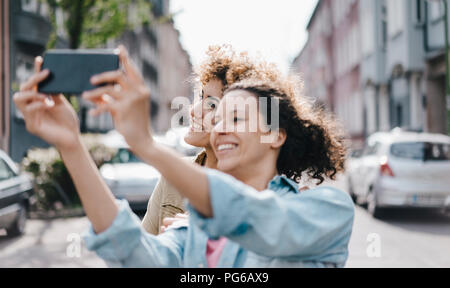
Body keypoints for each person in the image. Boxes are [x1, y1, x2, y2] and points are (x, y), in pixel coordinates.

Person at [13, 45, 354, 267]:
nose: (218, 129)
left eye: (234, 118)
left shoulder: (327, 209)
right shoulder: (194, 231)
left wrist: (146, 144)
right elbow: (132, 251)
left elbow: (261, 220)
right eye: (217, 119)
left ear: (276, 134)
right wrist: (71, 146)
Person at [141, 45, 276, 235]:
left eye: (212, 104)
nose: (194, 110)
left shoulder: (268, 191)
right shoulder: (174, 175)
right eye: (200, 97)